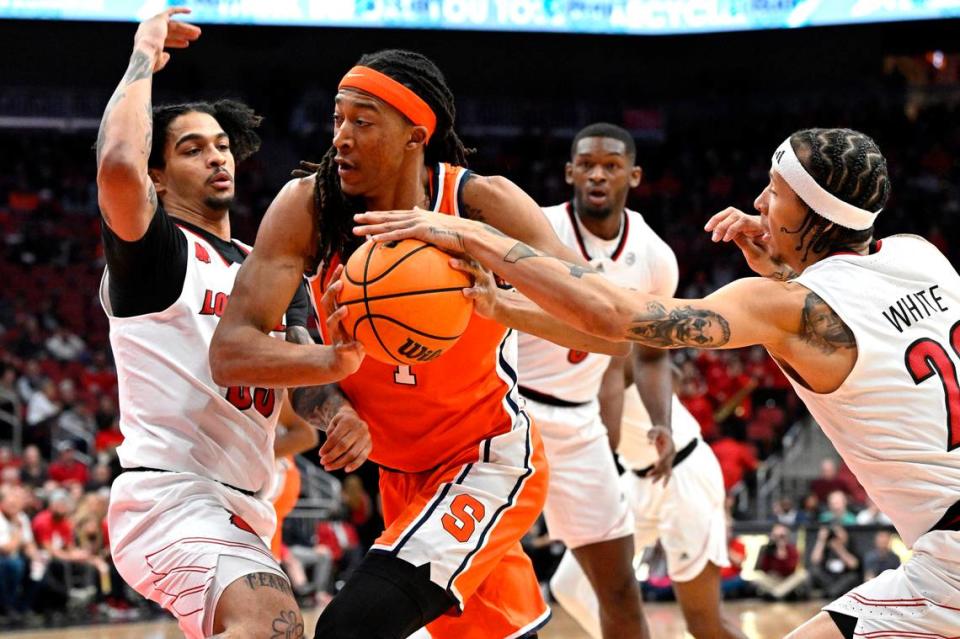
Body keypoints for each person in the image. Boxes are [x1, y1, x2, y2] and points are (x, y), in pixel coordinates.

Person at [355, 127, 960, 639]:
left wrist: (474, 234)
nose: (757, 201)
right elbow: (858, 313)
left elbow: (618, 319)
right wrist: (784, 258)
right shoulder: (922, 255)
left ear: (811, 214)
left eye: (774, 195)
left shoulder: (786, 308)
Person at [211, 49, 623, 639]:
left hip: (487, 458)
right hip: (400, 475)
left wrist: (500, 301)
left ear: (415, 134)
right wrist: (330, 388)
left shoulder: (482, 204)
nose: (342, 139)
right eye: (337, 119)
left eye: (363, 121)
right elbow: (232, 351)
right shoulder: (308, 207)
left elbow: (606, 329)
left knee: (350, 629)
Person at [94, 10, 367, 638]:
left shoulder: (269, 271)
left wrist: (338, 414)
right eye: (192, 149)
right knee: (274, 624)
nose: (217, 158)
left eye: (222, 146)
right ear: (157, 177)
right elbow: (116, 165)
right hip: (171, 496)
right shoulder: (157, 254)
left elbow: (305, 378)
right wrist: (142, 55)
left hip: (247, 504)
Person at [513, 123, 657, 639]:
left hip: (580, 427)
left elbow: (627, 365)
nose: (598, 174)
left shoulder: (655, 256)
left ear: (633, 175)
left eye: (611, 165)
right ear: (570, 171)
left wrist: (614, 449)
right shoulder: (534, 228)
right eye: (588, 164)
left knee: (618, 587)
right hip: (509, 412)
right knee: (462, 575)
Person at [753, 523, 808, 601]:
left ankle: (776, 594)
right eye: (776, 536)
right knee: (757, 577)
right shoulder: (767, 549)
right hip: (773, 580)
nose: (779, 539)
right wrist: (770, 551)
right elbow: (762, 568)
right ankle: (781, 594)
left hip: (788, 581)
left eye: (782, 536)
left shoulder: (792, 549)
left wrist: (782, 554)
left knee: (803, 574)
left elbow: (790, 568)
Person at [809, 525, 861, 600]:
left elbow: (854, 565)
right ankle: (832, 592)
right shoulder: (826, 546)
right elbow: (815, 561)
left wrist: (839, 549)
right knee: (814, 571)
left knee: (853, 577)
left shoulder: (850, 546)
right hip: (829, 579)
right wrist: (821, 540)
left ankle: (831, 593)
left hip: (843, 579)